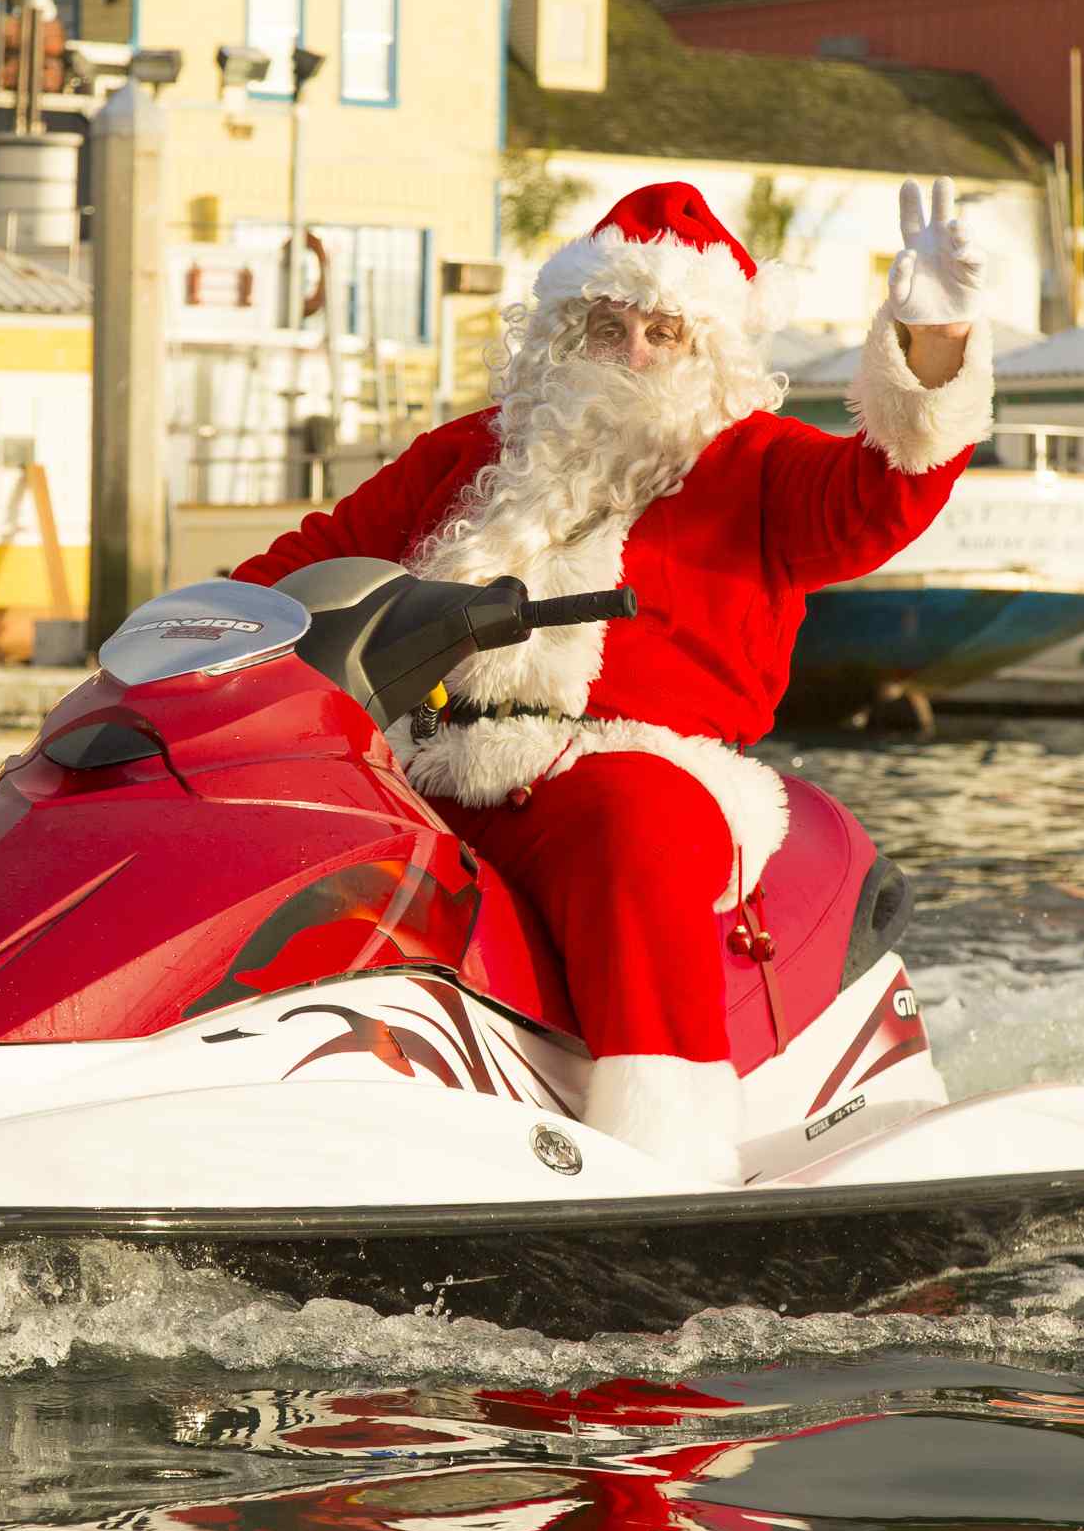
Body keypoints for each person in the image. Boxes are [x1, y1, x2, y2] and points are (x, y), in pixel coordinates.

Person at [233, 179, 989, 1181]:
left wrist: (928, 341)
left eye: (664, 332)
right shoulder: (468, 451)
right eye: (606, 324)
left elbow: (881, 492)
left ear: (709, 348)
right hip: (426, 757)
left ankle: (667, 1146)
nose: (631, 352)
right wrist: (187, 636)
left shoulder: (756, 463)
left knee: (629, 817)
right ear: (563, 331)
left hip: (633, 764)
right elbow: (311, 563)